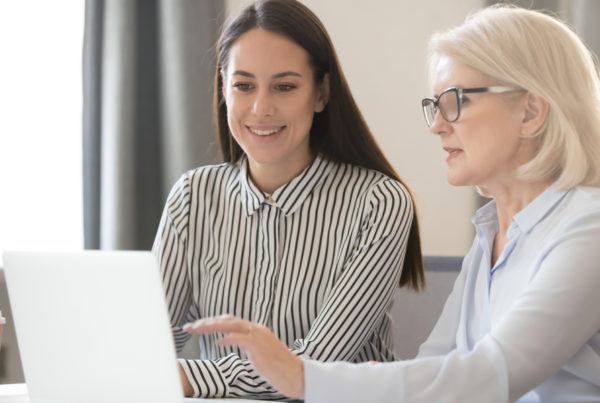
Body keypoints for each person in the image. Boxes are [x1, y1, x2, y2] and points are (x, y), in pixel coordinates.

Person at [185, 4, 600, 402]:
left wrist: (301, 375)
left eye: (457, 100)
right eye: (436, 105)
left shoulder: (588, 228)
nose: (438, 124)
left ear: (530, 112)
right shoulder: (490, 238)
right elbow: (435, 367)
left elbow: (488, 377)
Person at [152, 0, 424, 398]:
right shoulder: (193, 197)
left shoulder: (379, 202)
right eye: (244, 85)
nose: (262, 108)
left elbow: (312, 371)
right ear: (223, 89)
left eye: (285, 86)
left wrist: (193, 377)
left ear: (321, 93)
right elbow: (149, 346)